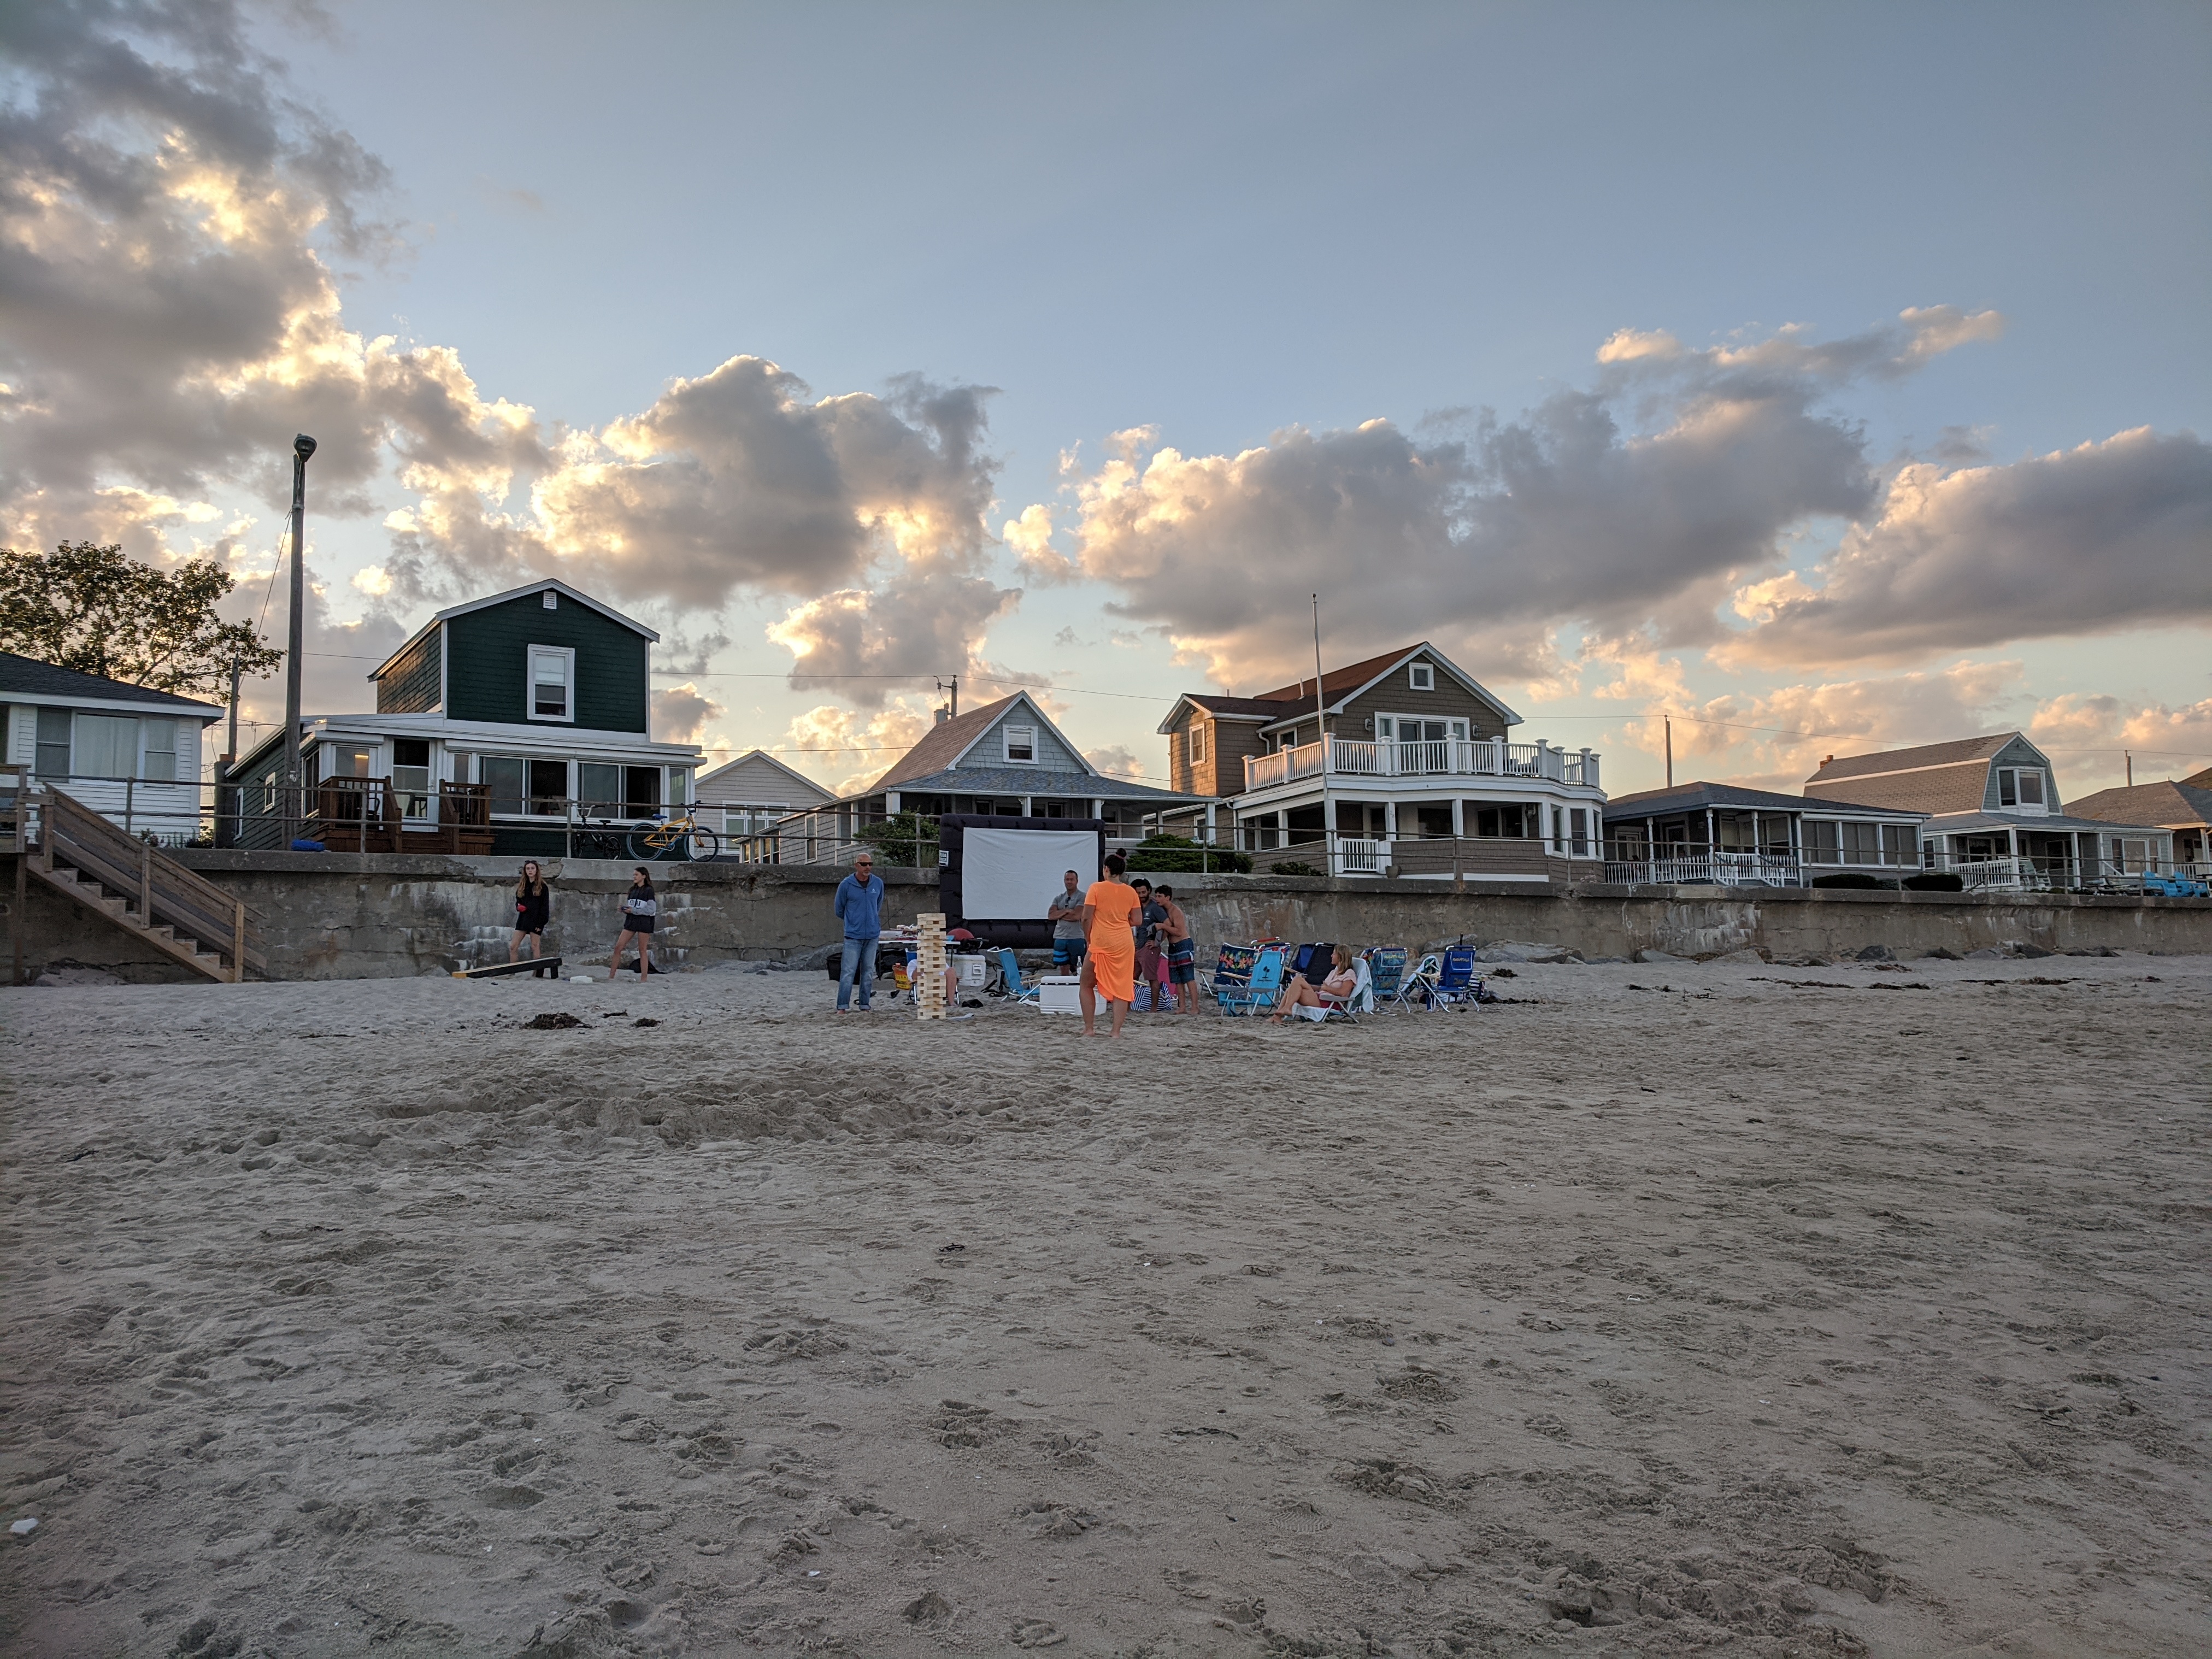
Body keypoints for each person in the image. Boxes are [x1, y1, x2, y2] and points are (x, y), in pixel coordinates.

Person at [1079, 852, 1142, 1038]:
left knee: (1086, 984)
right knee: (1122, 987)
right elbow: (1137, 920)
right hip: (1124, 942)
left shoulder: (1096, 888)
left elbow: (1086, 917)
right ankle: (1115, 1032)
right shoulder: (1131, 891)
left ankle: (1090, 1028)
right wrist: (1120, 920)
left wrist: (1087, 936)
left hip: (1101, 942)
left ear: (1106, 869)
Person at [834, 851, 885, 1013]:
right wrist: (853, 922)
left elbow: (877, 905)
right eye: (864, 864)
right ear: (857, 866)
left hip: (872, 935)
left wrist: (872, 922)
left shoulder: (878, 883)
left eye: (870, 864)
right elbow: (839, 909)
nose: (868, 867)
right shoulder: (846, 885)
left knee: (868, 972)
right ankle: (842, 1006)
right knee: (848, 972)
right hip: (852, 936)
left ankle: (865, 1004)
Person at [1272, 943, 1357, 1022]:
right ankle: (1277, 1017)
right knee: (1293, 987)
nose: (1331, 956)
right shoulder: (1333, 972)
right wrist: (1306, 985)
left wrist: (1326, 988)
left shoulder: (1349, 973)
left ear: (1341, 957)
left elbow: (1343, 993)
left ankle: (1287, 1008)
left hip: (1330, 1002)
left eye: (1334, 954)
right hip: (1320, 997)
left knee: (1297, 980)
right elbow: (1321, 988)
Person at [1154, 884, 1197, 1014]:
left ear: (1168, 898)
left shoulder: (1175, 911)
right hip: (1173, 947)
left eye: (1160, 896)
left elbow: (1178, 932)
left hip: (1183, 944)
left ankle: (1195, 1007)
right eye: (1156, 896)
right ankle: (1182, 1007)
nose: (1157, 899)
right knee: (1177, 979)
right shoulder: (1163, 912)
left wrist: (1162, 926)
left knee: (1188, 977)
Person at [611, 867, 657, 982]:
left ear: (644, 876)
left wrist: (634, 911)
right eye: (634, 875)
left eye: (636, 875)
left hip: (644, 923)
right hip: (631, 922)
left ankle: (644, 978)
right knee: (618, 947)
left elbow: (651, 909)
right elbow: (632, 906)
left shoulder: (649, 891)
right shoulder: (633, 890)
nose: (634, 877)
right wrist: (624, 909)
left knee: (642, 950)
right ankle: (611, 976)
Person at [510, 860, 551, 973]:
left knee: (535, 946)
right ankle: (512, 971)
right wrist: (519, 906)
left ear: (537, 870)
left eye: (532, 868)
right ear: (525, 871)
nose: (530, 871)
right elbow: (518, 901)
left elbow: (545, 908)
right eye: (528, 869)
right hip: (523, 919)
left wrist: (541, 924)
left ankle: (537, 973)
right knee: (513, 946)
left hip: (536, 920)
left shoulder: (543, 887)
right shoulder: (522, 886)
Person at [1129, 877, 1167, 1003]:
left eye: (1144, 892)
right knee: (1132, 977)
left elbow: (1167, 924)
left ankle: (1154, 1008)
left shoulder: (1155, 907)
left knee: (1151, 978)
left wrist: (1158, 942)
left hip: (1149, 947)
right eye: (1138, 893)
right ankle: (1129, 1006)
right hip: (1137, 946)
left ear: (1149, 891)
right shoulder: (1136, 907)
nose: (1141, 896)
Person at [1047, 868, 1087, 974]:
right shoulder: (1059, 898)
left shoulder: (1083, 896)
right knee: (1063, 966)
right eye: (1067, 879)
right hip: (1060, 937)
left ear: (1077, 881)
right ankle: (1064, 987)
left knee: (1079, 966)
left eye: (1072, 880)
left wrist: (1060, 914)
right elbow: (1051, 916)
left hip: (1076, 937)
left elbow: (1077, 916)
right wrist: (1066, 911)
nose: (1069, 882)